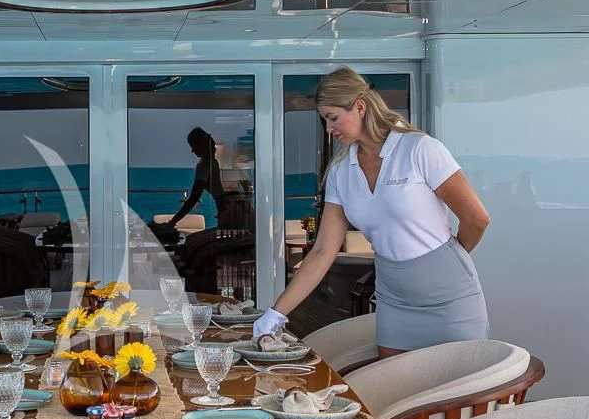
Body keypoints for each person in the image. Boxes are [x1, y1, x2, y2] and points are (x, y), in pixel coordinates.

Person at [255, 68, 490, 357]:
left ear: (360, 107)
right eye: (325, 120)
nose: (329, 128)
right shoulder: (341, 172)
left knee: (461, 382)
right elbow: (323, 251)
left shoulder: (419, 149)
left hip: (451, 298)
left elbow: (477, 219)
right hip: (395, 301)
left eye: (333, 118)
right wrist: (276, 313)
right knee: (394, 383)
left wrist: (446, 261)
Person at [164, 127, 251, 231]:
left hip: (230, 216)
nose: (192, 151)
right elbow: (246, 185)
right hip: (242, 211)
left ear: (200, 145)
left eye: (193, 146)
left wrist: (172, 222)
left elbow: (193, 199)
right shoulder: (219, 162)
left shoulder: (204, 166)